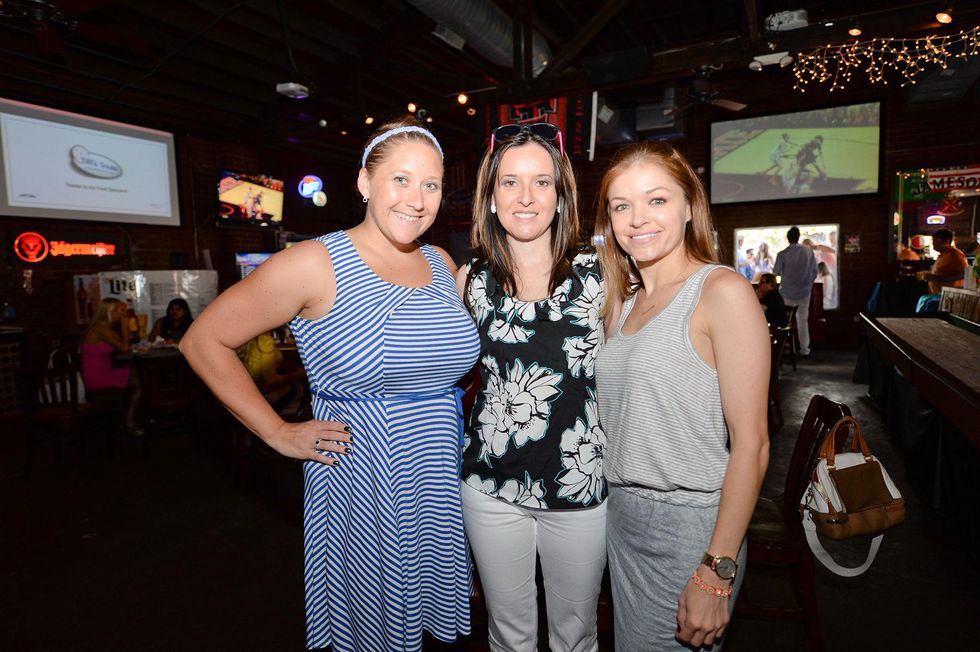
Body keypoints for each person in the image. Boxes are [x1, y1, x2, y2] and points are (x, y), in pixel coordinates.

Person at [180, 117, 479, 652]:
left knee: (428, 629)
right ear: (365, 183)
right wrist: (275, 432)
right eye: (401, 179)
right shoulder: (315, 261)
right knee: (373, 628)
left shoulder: (440, 261)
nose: (417, 199)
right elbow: (203, 341)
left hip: (437, 468)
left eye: (431, 185)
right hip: (366, 476)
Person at [593, 141, 769, 651]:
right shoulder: (623, 302)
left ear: (689, 205)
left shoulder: (721, 292)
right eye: (621, 205)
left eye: (657, 200)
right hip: (620, 517)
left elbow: (753, 445)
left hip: (689, 525)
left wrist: (716, 569)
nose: (637, 218)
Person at [456, 122, 607, 652]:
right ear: (490, 198)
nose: (525, 197)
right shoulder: (470, 279)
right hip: (490, 487)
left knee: (577, 636)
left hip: (579, 486)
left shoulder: (602, 274)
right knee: (508, 634)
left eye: (542, 182)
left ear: (562, 195)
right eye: (509, 183)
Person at [80, 298, 141, 434]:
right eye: (121, 310)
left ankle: (126, 418)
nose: (124, 314)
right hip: (97, 377)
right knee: (141, 379)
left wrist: (130, 328)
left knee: (138, 376)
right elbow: (125, 348)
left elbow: (126, 342)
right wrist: (124, 327)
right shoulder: (100, 329)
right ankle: (129, 421)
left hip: (103, 372)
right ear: (110, 312)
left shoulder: (104, 329)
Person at [774, 226, 818, 356]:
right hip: (804, 292)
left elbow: (776, 273)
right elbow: (815, 272)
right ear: (798, 237)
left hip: (786, 292)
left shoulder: (782, 254)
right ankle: (805, 349)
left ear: (788, 238)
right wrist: (807, 283)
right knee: (802, 321)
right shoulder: (809, 252)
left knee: (785, 322)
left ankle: (787, 347)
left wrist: (779, 284)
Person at [239, 329, 306, 413]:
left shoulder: (245, 336)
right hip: (261, 394)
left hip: (245, 391)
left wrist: (280, 365)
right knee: (301, 387)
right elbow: (270, 381)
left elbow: (255, 364)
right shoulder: (264, 340)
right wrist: (296, 375)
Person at [924, 228, 967, 294]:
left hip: (949, 297)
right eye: (933, 241)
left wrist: (940, 279)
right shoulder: (943, 255)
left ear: (946, 241)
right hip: (938, 295)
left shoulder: (955, 255)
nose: (933, 243)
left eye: (936, 241)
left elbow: (964, 274)